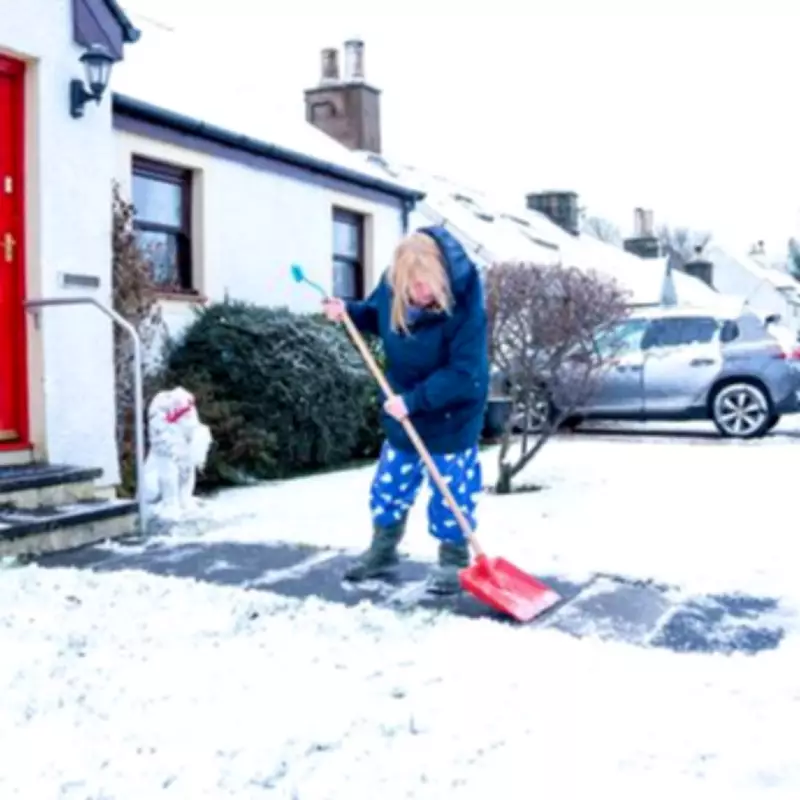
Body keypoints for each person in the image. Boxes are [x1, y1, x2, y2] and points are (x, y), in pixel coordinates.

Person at [322, 226, 489, 595]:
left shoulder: (466, 305)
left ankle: (453, 561)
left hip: (451, 415)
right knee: (390, 484)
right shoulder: (394, 287)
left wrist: (414, 401)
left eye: (426, 285)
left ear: (442, 278)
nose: (419, 294)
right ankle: (383, 551)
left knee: (451, 491)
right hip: (403, 410)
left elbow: (465, 374)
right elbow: (374, 314)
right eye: (411, 286)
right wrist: (347, 311)